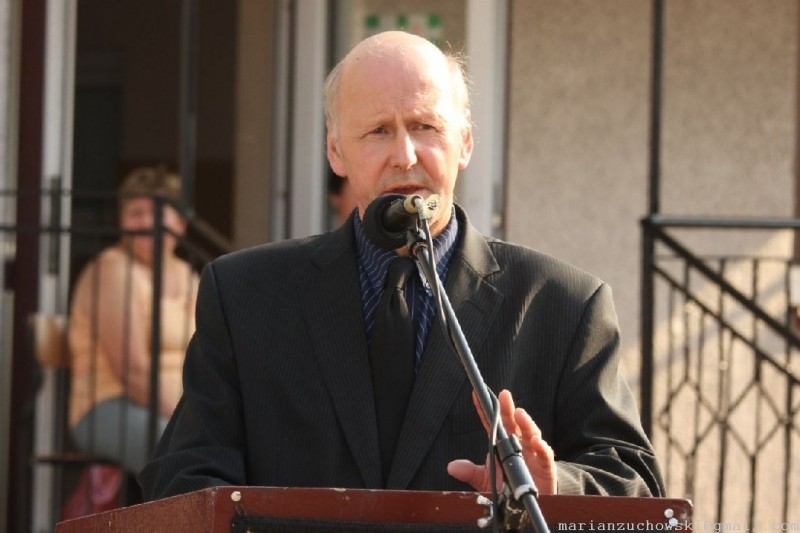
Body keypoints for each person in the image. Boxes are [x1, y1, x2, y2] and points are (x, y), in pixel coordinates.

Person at [139, 31, 664, 499]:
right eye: (377, 132)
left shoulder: (564, 304)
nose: (405, 155)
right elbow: (184, 475)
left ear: (465, 142)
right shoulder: (245, 295)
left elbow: (633, 483)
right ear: (335, 152)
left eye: (425, 126)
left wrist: (551, 486)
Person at [68, 166, 199, 474]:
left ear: (180, 224)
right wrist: (191, 422)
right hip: (110, 406)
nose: (146, 223)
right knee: (181, 452)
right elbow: (133, 369)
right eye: (135, 213)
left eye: (158, 213)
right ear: (121, 222)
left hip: (177, 412)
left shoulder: (190, 274)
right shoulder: (112, 269)